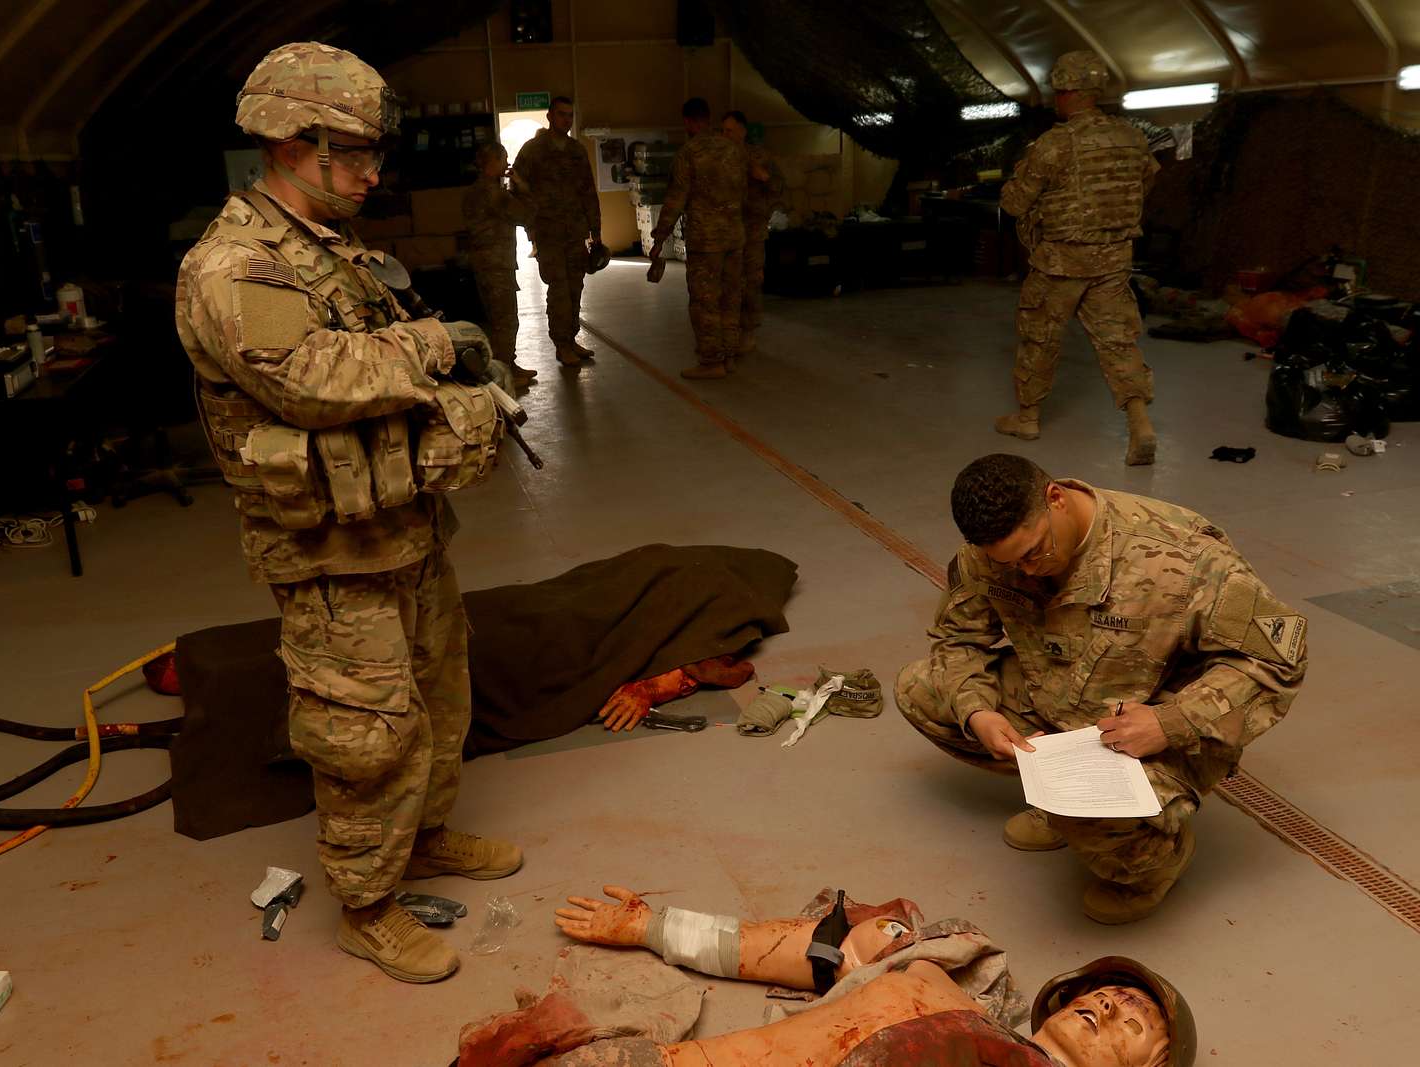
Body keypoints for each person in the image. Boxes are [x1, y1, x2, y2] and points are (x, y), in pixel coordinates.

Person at [174, 41, 522, 986]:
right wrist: (433, 345)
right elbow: (309, 382)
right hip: (328, 550)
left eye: (375, 150)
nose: (375, 170)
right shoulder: (235, 265)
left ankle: (428, 837)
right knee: (363, 729)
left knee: (438, 694)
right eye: (356, 151)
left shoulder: (327, 252)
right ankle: (368, 904)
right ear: (293, 142)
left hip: (402, 525)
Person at [895, 454, 1306, 923]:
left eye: (1033, 553)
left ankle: (1155, 861)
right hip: (1060, 698)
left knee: (1094, 815)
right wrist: (978, 713)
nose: (1026, 572)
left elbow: (1279, 659)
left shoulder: (1181, 555)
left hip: (1156, 720)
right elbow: (958, 638)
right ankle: (1059, 801)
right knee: (920, 688)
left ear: (1056, 499)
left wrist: (1171, 723)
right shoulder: (994, 553)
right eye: (1008, 563)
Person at [522, 884, 1195, 1066]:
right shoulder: (946, 980)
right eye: (1107, 996)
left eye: (1131, 1022)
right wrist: (655, 927)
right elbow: (816, 947)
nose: (1108, 1007)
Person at [996, 51, 1161, 465]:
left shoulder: (1055, 144)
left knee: (1041, 338)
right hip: (1113, 259)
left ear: (1068, 93)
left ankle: (1028, 417)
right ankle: (1140, 423)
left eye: (1058, 92)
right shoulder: (1132, 137)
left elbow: (1015, 202)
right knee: (1118, 341)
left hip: (1061, 262)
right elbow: (1146, 182)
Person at [651, 97, 763, 380]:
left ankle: (712, 360)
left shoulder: (689, 153)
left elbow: (676, 200)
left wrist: (660, 237)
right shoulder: (735, 150)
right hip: (735, 238)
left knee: (705, 301)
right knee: (730, 297)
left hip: (706, 241)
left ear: (688, 121)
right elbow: (747, 193)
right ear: (709, 119)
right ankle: (728, 355)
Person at [512, 95, 602, 367]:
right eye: (562, 114)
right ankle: (561, 344)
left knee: (576, 286)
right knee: (560, 289)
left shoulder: (577, 151)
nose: (567, 119)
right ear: (550, 116)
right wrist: (531, 225)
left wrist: (595, 230)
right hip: (549, 233)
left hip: (575, 232)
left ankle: (571, 338)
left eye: (570, 115)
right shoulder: (533, 150)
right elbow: (516, 187)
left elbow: (588, 190)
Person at [464, 141, 536, 387]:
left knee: (500, 319)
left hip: (490, 263)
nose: (507, 164)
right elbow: (523, 214)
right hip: (495, 266)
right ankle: (504, 371)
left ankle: (509, 364)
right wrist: (522, 186)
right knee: (505, 321)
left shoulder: (481, 189)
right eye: (504, 159)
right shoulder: (490, 192)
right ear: (492, 162)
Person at [721, 110, 785, 360]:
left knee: (751, 281)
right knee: (728, 283)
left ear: (742, 131)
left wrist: (763, 175)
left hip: (752, 231)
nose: (725, 135)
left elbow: (778, 187)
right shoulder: (720, 159)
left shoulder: (759, 156)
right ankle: (729, 330)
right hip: (726, 231)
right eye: (722, 131)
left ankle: (748, 331)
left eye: (730, 130)